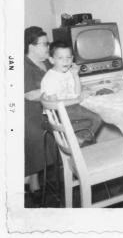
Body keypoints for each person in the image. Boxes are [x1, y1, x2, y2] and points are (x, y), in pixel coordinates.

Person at [41, 41, 102, 146]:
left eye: (68, 58)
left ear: (72, 59)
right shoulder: (50, 78)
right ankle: (80, 140)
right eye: (60, 58)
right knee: (97, 117)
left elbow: (76, 93)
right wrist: (77, 100)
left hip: (71, 108)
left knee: (96, 114)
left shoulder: (69, 72)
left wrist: (75, 75)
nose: (65, 61)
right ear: (51, 60)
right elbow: (55, 103)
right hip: (59, 113)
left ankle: (80, 142)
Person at [24, 26, 56, 200]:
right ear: (31, 46)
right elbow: (29, 95)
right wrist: (53, 90)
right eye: (45, 44)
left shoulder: (46, 62)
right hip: (29, 113)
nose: (48, 47)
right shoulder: (23, 64)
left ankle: (35, 179)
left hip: (46, 110)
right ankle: (33, 181)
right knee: (38, 135)